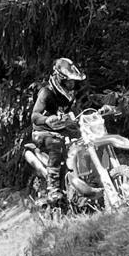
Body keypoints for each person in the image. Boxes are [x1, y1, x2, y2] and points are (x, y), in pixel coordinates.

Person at [30, 57, 86, 204]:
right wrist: (46, 119)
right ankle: (53, 188)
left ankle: (85, 180)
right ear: (60, 79)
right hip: (43, 132)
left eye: (73, 81)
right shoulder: (46, 92)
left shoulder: (71, 95)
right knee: (56, 145)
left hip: (62, 129)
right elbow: (34, 115)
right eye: (68, 81)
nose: (71, 84)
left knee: (84, 141)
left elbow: (79, 110)